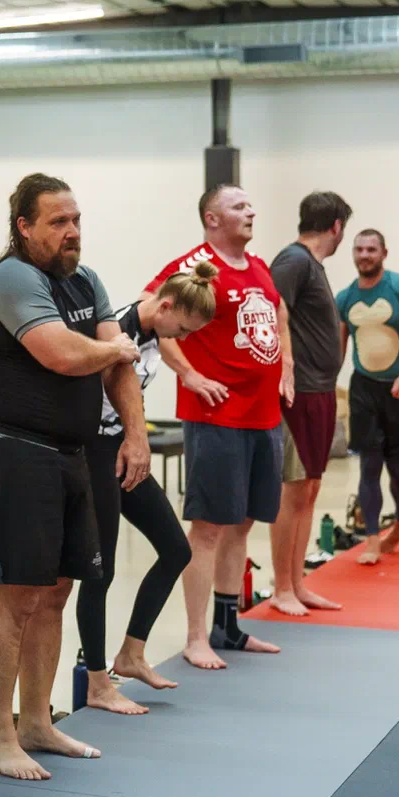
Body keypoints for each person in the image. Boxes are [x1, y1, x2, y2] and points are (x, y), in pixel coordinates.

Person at [0, 173, 145, 781]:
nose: (71, 232)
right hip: (17, 454)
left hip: (71, 453)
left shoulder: (85, 278)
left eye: (75, 220)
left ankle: (38, 721)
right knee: (17, 597)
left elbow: (112, 366)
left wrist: (137, 431)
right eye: (56, 222)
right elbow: (63, 354)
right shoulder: (14, 276)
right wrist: (118, 347)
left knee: (57, 592)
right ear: (24, 226)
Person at [148, 184, 293, 670]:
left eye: (251, 204)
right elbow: (153, 311)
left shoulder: (258, 266)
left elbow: (277, 313)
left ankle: (227, 625)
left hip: (263, 415)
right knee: (209, 527)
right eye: (238, 206)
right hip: (217, 415)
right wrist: (188, 372)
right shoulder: (196, 267)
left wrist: (286, 366)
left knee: (244, 522)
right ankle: (194, 635)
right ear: (212, 218)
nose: (251, 210)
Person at [78, 264, 216, 714]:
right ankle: (98, 681)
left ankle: (132, 653)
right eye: (184, 327)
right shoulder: (118, 329)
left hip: (122, 445)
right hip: (95, 450)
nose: (185, 338)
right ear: (167, 305)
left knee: (176, 549)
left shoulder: (155, 335)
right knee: (101, 572)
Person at [264, 190, 351, 615]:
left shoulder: (310, 265)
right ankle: (281, 586)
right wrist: (287, 367)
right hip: (300, 391)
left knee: (311, 488)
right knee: (294, 488)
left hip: (320, 388)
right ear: (336, 226)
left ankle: (298, 582)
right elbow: (271, 311)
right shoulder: (294, 261)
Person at [335, 231, 399, 564]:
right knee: (369, 464)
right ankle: (372, 537)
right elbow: (338, 347)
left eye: (371, 249)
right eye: (359, 249)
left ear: (384, 253)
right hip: (364, 387)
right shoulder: (345, 297)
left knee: (397, 467)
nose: (365, 255)